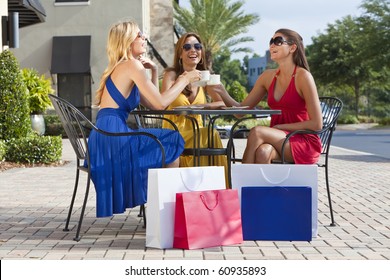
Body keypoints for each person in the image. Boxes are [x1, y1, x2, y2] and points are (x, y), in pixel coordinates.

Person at [87, 20, 201, 217]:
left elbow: (155, 102)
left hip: (104, 137)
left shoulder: (124, 66)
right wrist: (184, 79)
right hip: (115, 138)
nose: (144, 38)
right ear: (127, 41)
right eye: (139, 35)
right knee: (172, 140)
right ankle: (167, 212)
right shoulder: (132, 66)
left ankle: (163, 211)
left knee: (168, 141)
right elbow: (160, 104)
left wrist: (154, 71)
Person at [207, 28, 323, 164]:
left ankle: (241, 181)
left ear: (292, 48)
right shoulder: (267, 77)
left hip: (302, 141)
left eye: (278, 41)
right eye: (271, 41)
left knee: (257, 132)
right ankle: (258, 185)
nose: (272, 44)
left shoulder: (303, 77)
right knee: (263, 152)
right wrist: (222, 92)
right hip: (278, 139)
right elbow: (241, 111)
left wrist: (281, 127)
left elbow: (316, 124)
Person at [161, 32, 227, 170]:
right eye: (187, 47)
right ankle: (218, 184)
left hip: (197, 133)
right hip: (174, 133)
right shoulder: (172, 75)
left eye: (197, 46)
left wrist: (202, 105)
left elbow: (222, 103)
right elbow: (162, 102)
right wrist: (181, 81)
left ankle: (216, 187)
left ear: (201, 52)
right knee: (211, 133)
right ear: (180, 53)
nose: (193, 50)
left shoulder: (204, 77)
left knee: (209, 133)